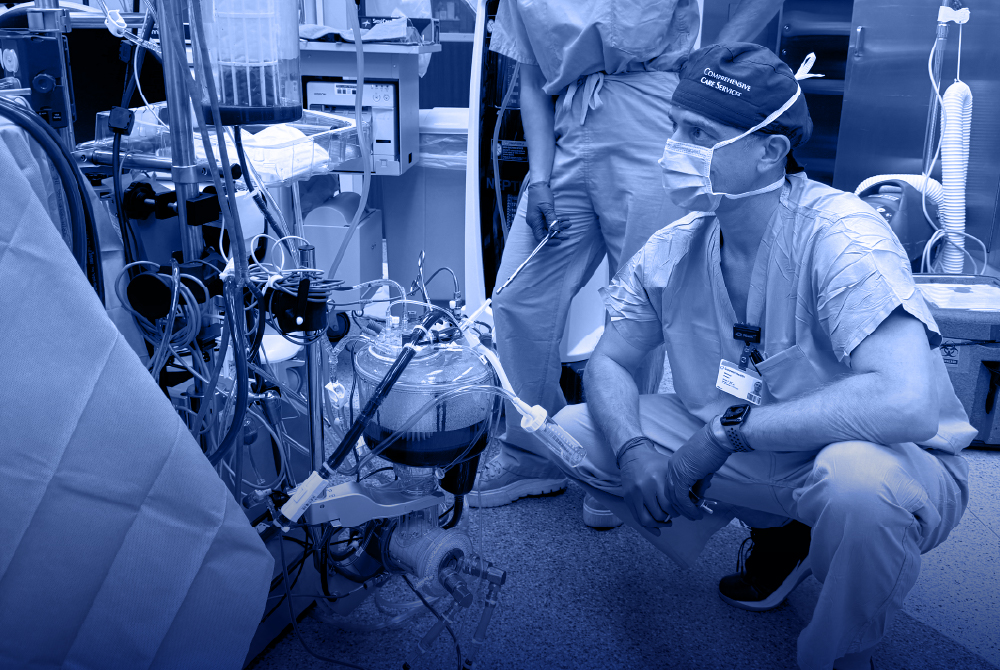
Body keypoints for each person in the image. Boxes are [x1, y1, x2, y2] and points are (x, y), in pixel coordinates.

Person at [550, 43, 975, 670]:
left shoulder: (843, 238)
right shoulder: (674, 249)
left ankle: (842, 652)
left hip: (883, 456)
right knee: (576, 433)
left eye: (698, 134)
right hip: (756, 451)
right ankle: (783, 534)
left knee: (859, 487)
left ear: (769, 151)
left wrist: (724, 435)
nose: (673, 149)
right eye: (674, 127)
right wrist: (636, 449)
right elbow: (610, 361)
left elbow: (905, 402)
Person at [474, 0, 788, 527]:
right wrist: (541, 178)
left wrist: (709, 65)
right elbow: (531, 80)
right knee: (518, 298)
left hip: (654, 121)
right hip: (568, 127)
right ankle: (533, 452)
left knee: (636, 307)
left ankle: (615, 459)